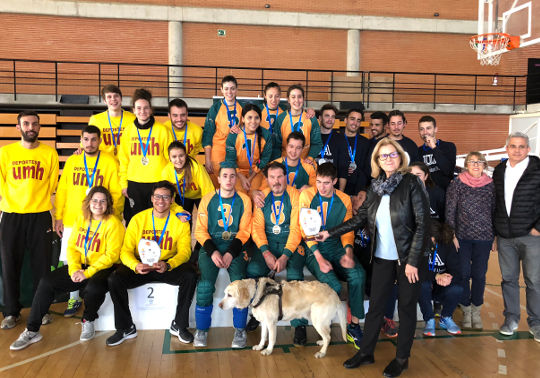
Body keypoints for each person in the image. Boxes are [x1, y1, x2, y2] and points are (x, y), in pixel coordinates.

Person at [317, 137, 429, 377]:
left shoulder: (411, 183)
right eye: (383, 156)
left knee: (407, 309)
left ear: (400, 157)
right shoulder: (376, 186)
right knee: (376, 306)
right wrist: (330, 233)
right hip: (381, 257)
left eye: (392, 154)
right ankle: (366, 352)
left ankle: (401, 359)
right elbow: (359, 219)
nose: (388, 159)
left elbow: (423, 224)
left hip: (408, 259)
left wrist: (411, 261)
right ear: (377, 160)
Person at [10, 187, 125, 349]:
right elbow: (71, 247)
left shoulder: (114, 224)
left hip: (102, 268)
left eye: (102, 201)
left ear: (108, 204)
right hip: (80, 267)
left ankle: (88, 319)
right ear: (88, 202)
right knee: (46, 282)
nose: (98, 204)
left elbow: (111, 256)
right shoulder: (81, 218)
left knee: (93, 288)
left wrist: (87, 273)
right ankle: (32, 330)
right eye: (95, 200)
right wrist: (74, 270)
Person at [106, 181, 197, 346]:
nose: (161, 200)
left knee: (190, 275)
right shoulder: (138, 219)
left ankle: (180, 325)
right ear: (152, 198)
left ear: (172, 200)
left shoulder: (181, 222)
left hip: (166, 265)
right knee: (114, 279)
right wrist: (135, 265)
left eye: (165, 197)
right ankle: (125, 327)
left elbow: (185, 252)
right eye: (157, 196)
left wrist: (169, 264)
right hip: (142, 266)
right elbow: (125, 251)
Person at [55, 125, 123, 317]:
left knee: (97, 255)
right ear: (81, 140)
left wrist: (115, 216)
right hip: (73, 218)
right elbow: (63, 189)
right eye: (86, 139)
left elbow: (116, 193)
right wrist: (58, 216)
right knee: (71, 258)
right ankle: (73, 298)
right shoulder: (73, 160)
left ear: (100, 141)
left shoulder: (109, 161)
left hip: (101, 219)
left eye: (94, 139)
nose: (90, 143)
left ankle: (91, 293)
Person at [0, 111, 59, 330]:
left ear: (39, 127)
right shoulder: (5, 153)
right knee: (9, 266)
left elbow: (52, 186)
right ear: (18, 127)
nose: (30, 127)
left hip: (40, 215)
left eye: (34, 124)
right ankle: (10, 312)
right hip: (12, 215)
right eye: (26, 124)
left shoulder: (49, 153)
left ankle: (40, 310)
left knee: (41, 267)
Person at [299, 162, 366, 349]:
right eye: (319, 182)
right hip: (314, 249)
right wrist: (319, 259)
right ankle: (323, 327)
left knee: (358, 275)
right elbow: (304, 231)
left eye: (326, 183)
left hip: (336, 245)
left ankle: (353, 326)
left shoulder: (344, 199)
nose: (321, 187)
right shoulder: (307, 195)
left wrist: (348, 253)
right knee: (333, 286)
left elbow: (347, 232)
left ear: (335, 181)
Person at [245, 161, 307, 342]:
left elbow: (297, 228)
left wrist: (286, 255)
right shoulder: (261, 196)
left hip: (291, 243)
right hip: (269, 243)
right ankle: (258, 313)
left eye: (280, 176)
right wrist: (265, 252)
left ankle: (299, 324)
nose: (276, 181)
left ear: (286, 176)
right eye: (272, 177)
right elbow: (257, 227)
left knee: (296, 275)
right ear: (267, 179)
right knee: (254, 271)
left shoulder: (295, 196)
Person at [193, 163, 252, 348]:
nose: (229, 179)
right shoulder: (207, 199)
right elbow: (200, 231)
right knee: (204, 286)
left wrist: (230, 253)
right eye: (225, 176)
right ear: (218, 179)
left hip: (235, 247)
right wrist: (214, 251)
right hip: (211, 247)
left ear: (236, 178)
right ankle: (202, 330)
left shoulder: (244, 200)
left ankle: (240, 330)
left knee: (240, 286)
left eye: (232, 176)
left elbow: (245, 231)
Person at [492, 132, 540, 341]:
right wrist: (495, 232)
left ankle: (536, 322)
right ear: (507, 148)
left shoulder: (538, 169)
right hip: (505, 237)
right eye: (513, 146)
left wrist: (538, 227)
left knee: (534, 281)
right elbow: (494, 202)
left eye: (522, 146)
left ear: (528, 149)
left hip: (531, 236)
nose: (517, 150)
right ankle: (510, 319)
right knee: (508, 280)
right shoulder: (499, 170)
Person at [410, 162, 462, 336]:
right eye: (411, 174)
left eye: (418, 174)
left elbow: (447, 216)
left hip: (438, 233)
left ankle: (446, 317)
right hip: (417, 238)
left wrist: (450, 235)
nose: (414, 177)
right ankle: (430, 320)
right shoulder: (405, 194)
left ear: (426, 176)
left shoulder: (437, 193)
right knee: (422, 282)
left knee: (457, 286)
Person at [445, 152, 495, 330]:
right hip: (462, 238)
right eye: (472, 162)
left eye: (479, 162)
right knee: (464, 274)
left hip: (484, 237)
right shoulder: (458, 183)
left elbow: (494, 211)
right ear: (466, 164)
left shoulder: (490, 185)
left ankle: (476, 311)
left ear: (484, 165)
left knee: (480, 276)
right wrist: (452, 235)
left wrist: (494, 236)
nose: (476, 165)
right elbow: (450, 210)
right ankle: (466, 310)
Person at [118, 88, 173, 222]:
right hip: (134, 183)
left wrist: (169, 183)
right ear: (133, 110)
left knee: (157, 220)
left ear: (151, 109)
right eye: (139, 108)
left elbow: (171, 159)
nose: (142, 111)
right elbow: (123, 160)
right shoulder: (128, 131)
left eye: (146, 108)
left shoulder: (162, 130)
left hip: (157, 183)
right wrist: (124, 183)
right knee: (133, 220)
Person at [252, 132, 316, 207]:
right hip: (277, 206)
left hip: (298, 206)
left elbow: (317, 190)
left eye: (298, 148)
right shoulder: (273, 165)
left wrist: (309, 189)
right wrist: (254, 193)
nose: (294, 151)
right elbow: (263, 190)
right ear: (286, 146)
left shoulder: (309, 167)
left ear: (302, 149)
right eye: (291, 146)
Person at [202, 75, 245, 185]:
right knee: (218, 182)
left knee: (233, 182)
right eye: (226, 88)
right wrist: (207, 159)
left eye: (232, 88)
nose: (229, 92)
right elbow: (208, 133)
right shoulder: (215, 108)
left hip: (236, 149)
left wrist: (241, 129)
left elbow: (249, 127)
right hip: (218, 149)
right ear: (221, 90)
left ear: (237, 89)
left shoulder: (242, 107)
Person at [225, 104, 273, 194]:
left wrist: (251, 178)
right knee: (239, 197)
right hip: (237, 171)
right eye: (249, 117)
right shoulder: (234, 135)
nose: (253, 121)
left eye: (256, 118)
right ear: (243, 119)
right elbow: (230, 160)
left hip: (257, 171)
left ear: (260, 120)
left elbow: (265, 159)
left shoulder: (266, 135)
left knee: (257, 196)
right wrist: (242, 177)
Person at [161, 141, 214, 219]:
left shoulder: (196, 167)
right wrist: (178, 210)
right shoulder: (166, 172)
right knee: (184, 221)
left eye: (181, 156)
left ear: (186, 155)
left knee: (206, 218)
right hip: (182, 196)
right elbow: (167, 196)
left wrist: (206, 208)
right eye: (174, 156)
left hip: (199, 196)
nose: (178, 160)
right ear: (169, 157)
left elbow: (208, 190)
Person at [273, 84, 322, 162]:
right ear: (288, 99)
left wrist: (310, 158)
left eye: (299, 97)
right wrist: (278, 162)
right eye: (293, 97)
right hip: (285, 163)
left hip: (305, 162)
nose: (297, 100)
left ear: (303, 99)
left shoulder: (311, 119)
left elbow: (317, 143)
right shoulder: (281, 119)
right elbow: (276, 145)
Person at [88, 84, 136, 159]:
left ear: (121, 98)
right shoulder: (95, 119)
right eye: (109, 97)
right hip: (104, 163)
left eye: (116, 96)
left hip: (127, 162)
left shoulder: (133, 118)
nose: (113, 99)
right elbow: (87, 142)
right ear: (105, 101)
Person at [337, 109, 371, 199]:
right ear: (345, 120)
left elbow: (366, 169)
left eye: (358, 120)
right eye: (352, 119)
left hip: (356, 193)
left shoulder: (366, 143)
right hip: (336, 191)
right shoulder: (336, 139)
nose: (355, 123)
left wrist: (359, 191)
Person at [417, 115, 456, 190]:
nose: (425, 132)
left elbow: (448, 171)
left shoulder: (449, 146)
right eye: (422, 129)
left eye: (428, 128)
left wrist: (434, 147)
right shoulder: (418, 151)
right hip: (426, 194)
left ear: (435, 129)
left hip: (445, 193)